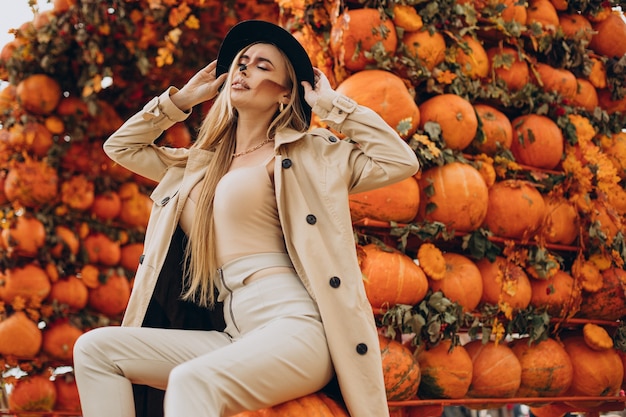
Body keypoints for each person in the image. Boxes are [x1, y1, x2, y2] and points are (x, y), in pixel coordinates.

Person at [72, 19, 420, 417]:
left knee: (192, 381)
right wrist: (181, 100)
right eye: (242, 62)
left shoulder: (306, 156)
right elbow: (121, 146)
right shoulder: (196, 169)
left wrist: (329, 106)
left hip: (296, 329)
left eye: (262, 66)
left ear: (286, 95)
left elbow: (399, 161)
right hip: (234, 333)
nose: (244, 69)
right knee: (95, 351)